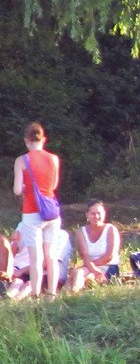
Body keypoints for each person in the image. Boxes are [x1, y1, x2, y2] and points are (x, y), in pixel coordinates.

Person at [12, 122, 62, 299]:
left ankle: (35, 294)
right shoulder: (54, 159)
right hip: (51, 212)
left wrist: (26, 187)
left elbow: (17, 190)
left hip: (32, 212)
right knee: (51, 255)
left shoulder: (21, 160)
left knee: (35, 257)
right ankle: (52, 293)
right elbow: (53, 185)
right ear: (44, 140)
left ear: (26, 140)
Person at [68, 199, 121, 293]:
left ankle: (72, 295)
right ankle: (65, 295)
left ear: (104, 214)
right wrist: (92, 268)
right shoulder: (80, 232)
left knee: (80, 275)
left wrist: (91, 267)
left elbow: (109, 256)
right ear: (87, 215)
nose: (96, 216)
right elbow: (84, 255)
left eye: (99, 213)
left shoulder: (111, 229)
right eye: (93, 213)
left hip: (108, 267)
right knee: (77, 273)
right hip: (89, 266)